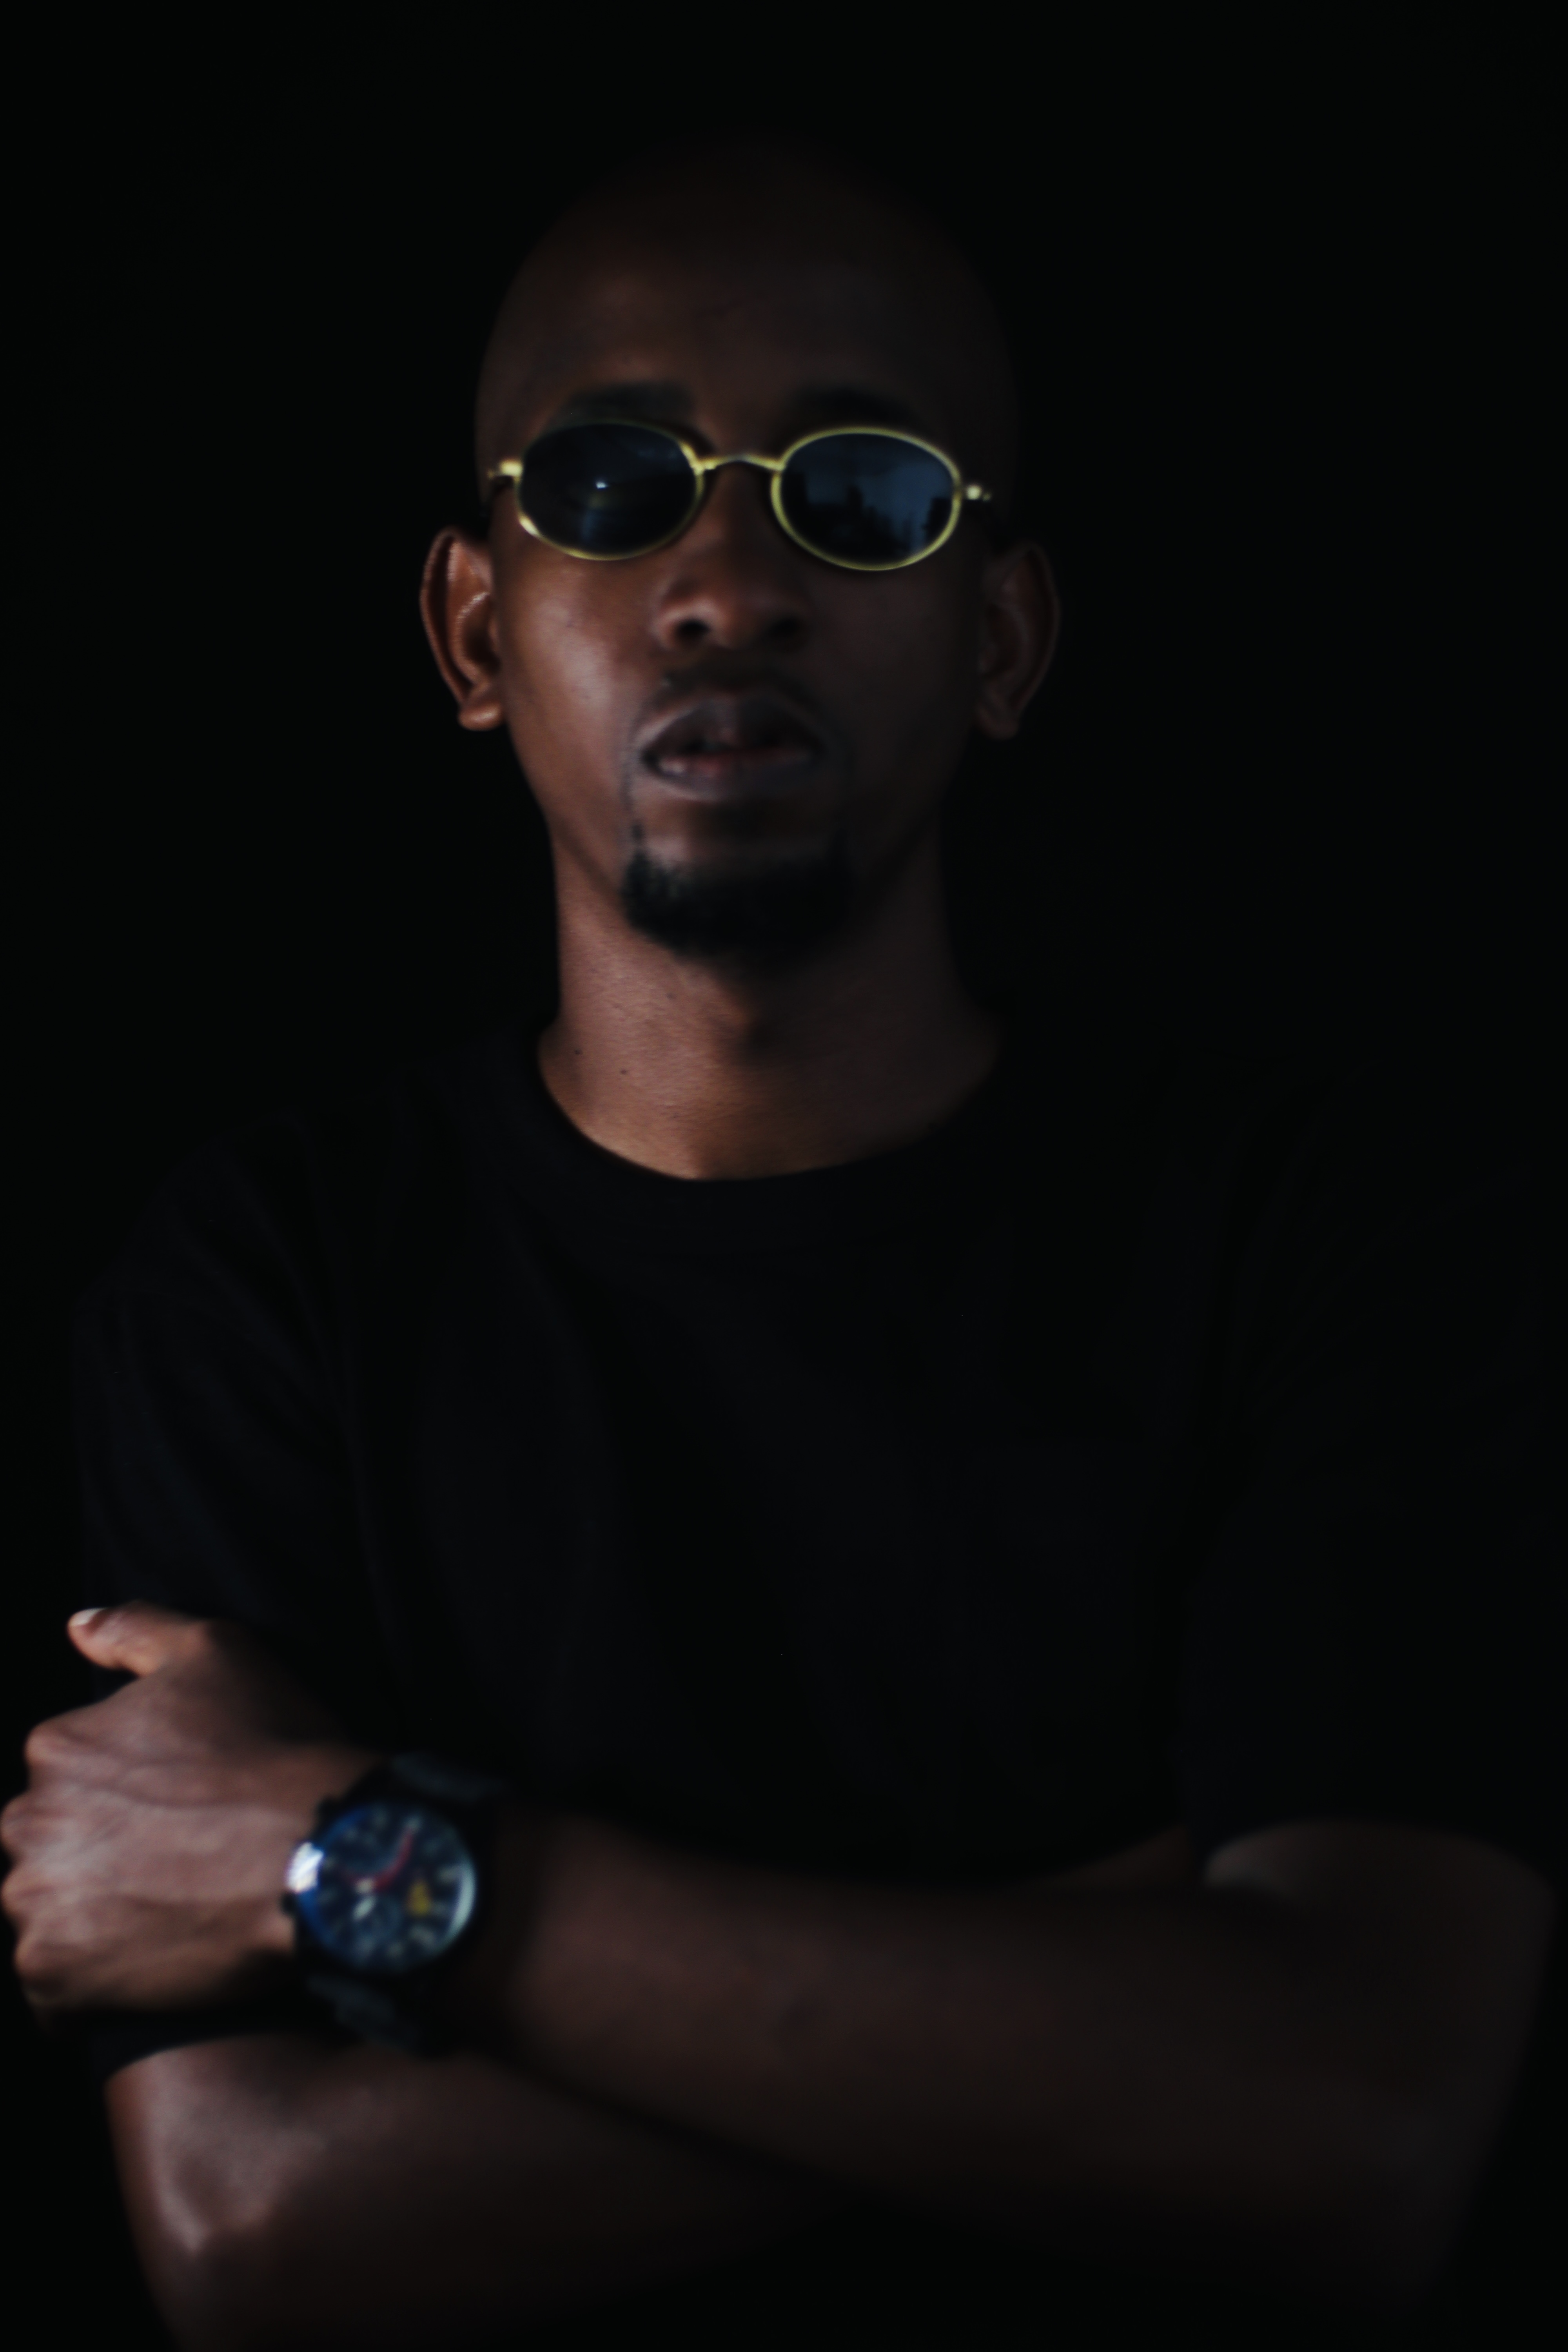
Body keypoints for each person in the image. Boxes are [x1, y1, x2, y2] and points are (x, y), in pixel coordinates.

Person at [2, 128, 1562, 2352]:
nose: (729, 584)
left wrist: (358, 1866)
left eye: (864, 492)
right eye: (614, 484)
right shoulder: (266, 1285)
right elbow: (257, 2231)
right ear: (475, 628)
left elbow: (1352, 2128)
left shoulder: (1334, 1242)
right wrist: (1121, 1977)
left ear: (1000, 634)